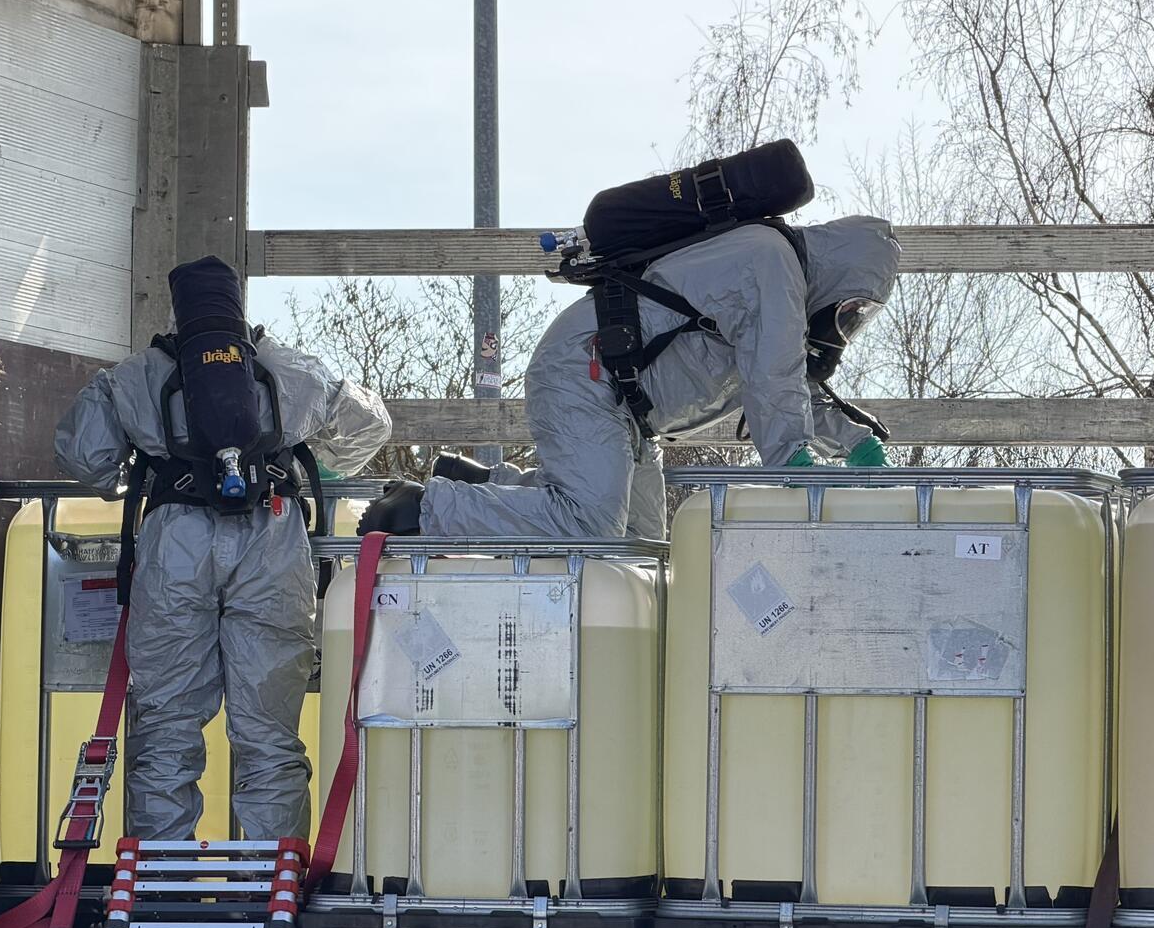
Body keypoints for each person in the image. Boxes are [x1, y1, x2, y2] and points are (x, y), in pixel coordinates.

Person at [55, 257, 390, 843]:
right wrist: (318, 463)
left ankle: (159, 895)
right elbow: (369, 428)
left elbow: (85, 457)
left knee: (165, 731)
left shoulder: (140, 373)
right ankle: (268, 892)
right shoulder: (285, 366)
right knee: (269, 736)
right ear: (238, 306)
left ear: (177, 308)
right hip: (272, 539)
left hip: (173, 547)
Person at [360, 215, 903, 540]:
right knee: (591, 524)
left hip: (624, 408)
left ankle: (478, 484)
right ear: (842, 274)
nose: (849, 319)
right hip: (585, 373)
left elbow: (789, 383)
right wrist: (795, 466)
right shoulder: (772, 265)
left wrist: (856, 446)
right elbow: (777, 383)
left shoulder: (779, 283)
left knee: (639, 549)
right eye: (854, 305)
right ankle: (421, 507)